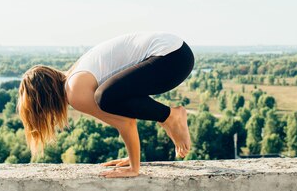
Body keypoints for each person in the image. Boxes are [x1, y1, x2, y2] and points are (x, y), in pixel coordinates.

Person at [17, 31, 195, 178]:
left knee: (104, 98)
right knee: (110, 98)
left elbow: (125, 123)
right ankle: (167, 117)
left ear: (44, 102)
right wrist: (132, 158)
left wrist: (134, 169)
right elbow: (126, 112)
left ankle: (171, 116)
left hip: (171, 59)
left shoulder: (75, 91)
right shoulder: (75, 76)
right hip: (177, 54)